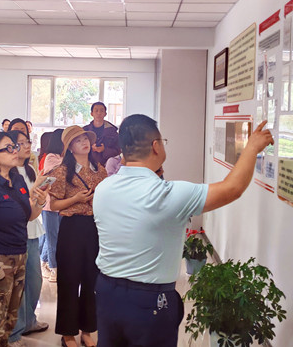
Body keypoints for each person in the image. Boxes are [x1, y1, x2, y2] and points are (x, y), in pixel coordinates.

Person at [93, 115, 274, 346]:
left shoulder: (103, 188)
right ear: (156, 146)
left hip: (107, 293)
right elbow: (233, 188)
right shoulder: (167, 194)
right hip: (150, 302)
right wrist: (252, 147)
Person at [0, 131, 48, 346]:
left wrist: (40, 202)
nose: (15, 151)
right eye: (8, 148)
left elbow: (28, 216)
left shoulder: (17, 180)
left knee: (9, 320)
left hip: (19, 255)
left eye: (14, 146)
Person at [46, 126, 107, 347]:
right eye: (78, 140)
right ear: (69, 147)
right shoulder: (62, 171)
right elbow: (54, 205)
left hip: (95, 227)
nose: (84, 142)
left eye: (85, 138)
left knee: (92, 280)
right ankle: (68, 334)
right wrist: (76, 199)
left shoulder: (100, 170)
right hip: (72, 227)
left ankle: (87, 331)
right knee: (69, 280)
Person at [8, 130, 48, 346]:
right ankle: (17, 328)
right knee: (19, 283)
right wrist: (34, 190)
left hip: (33, 228)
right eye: (20, 143)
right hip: (17, 231)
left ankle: (29, 320)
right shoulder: (9, 172)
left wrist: (40, 193)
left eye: (27, 142)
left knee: (34, 280)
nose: (26, 146)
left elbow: (32, 203)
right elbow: (19, 201)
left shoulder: (30, 169)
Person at [40, 128, 64, 283]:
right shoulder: (51, 157)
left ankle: (44, 262)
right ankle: (54, 268)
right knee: (52, 238)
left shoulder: (62, 157)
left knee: (51, 236)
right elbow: (60, 171)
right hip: (49, 205)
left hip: (61, 204)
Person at [83, 102, 121, 167]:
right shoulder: (85, 130)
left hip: (108, 165)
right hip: (88, 164)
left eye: (101, 111)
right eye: (96, 111)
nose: (99, 113)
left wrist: (104, 149)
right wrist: (90, 148)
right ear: (91, 113)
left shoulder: (112, 131)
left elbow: (118, 150)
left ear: (105, 114)